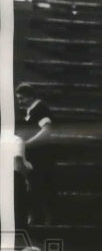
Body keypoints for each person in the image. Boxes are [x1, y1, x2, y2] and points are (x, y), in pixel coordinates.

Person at [15, 83, 55, 225]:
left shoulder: (40, 109)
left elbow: (47, 130)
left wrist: (28, 143)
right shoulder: (31, 110)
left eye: (22, 98)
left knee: (39, 188)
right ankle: (35, 218)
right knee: (32, 187)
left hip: (41, 157)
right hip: (35, 156)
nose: (20, 102)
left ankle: (43, 220)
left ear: (30, 97)